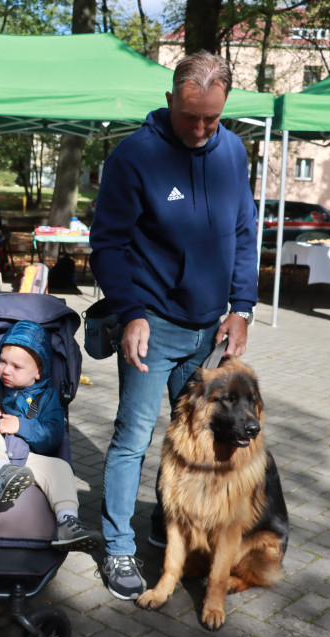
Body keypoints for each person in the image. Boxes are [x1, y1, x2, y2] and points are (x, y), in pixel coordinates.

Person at [88, 50, 258, 600]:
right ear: (170, 102)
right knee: (133, 438)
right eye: (192, 118)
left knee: (196, 439)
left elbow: (242, 232)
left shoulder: (232, 151)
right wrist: (131, 311)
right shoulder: (134, 157)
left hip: (209, 329)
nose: (203, 130)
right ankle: (117, 547)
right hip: (152, 323)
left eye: (214, 118)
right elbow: (108, 244)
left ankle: (171, 530)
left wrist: (243, 306)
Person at [0, 320, 103, 552]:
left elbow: (53, 437)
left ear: (37, 372)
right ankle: (3, 472)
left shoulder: (47, 398)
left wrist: (22, 425)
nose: (6, 370)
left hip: (23, 462)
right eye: (2, 362)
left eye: (16, 367)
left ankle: (67, 521)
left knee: (61, 469)